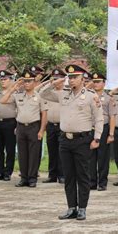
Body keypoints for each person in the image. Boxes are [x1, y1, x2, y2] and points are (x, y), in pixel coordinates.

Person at [40, 64, 103, 220]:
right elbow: (42, 93)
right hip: (65, 140)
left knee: (82, 175)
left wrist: (97, 138)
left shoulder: (90, 95)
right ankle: (71, 208)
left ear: (82, 79)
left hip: (83, 140)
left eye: (75, 77)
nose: (72, 80)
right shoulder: (63, 94)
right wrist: (53, 83)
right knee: (69, 176)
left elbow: (99, 118)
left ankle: (82, 208)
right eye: (70, 77)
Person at [0, 69, 47, 188]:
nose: (26, 83)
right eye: (25, 81)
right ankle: (24, 178)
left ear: (34, 82)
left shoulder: (39, 96)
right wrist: (13, 88)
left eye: (29, 81)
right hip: (21, 127)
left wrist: (41, 130)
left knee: (33, 154)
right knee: (22, 154)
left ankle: (32, 179)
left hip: (34, 126)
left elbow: (44, 114)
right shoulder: (18, 95)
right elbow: (3, 100)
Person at [89, 72, 115, 191]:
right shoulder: (88, 96)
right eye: (94, 82)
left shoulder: (109, 98)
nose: (96, 84)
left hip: (104, 128)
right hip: (91, 128)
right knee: (90, 157)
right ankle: (92, 182)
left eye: (98, 82)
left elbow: (112, 116)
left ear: (104, 83)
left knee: (103, 157)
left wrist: (111, 134)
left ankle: (102, 182)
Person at [40, 69, 66, 184]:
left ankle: (62, 175)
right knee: (52, 150)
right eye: (54, 79)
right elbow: (41, 92)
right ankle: (52, 175)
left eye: (58, 79)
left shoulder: (67, 92)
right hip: (51, 125)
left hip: (62, 125)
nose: (55, 81)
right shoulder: (49, 93)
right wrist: (51, 84)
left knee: (62, 151)